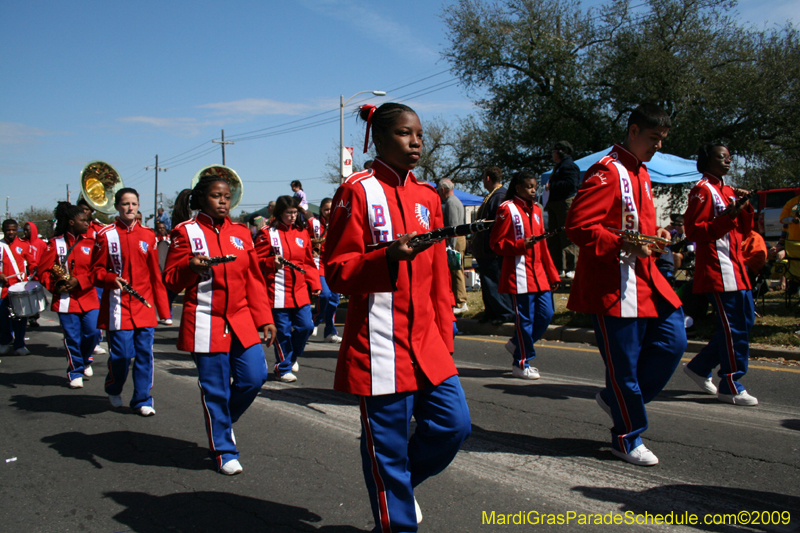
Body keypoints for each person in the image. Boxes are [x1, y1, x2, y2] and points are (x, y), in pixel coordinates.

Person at [323, 102, 471, 531]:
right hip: (380, 346)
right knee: (387, 456)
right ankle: (397, 516)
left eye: (420, 134)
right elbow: (336, 270)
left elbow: (440, 280)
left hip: (428, 343)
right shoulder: (356, 190)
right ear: (380, 138)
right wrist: (384, 257)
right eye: (406, 134)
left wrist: (446, 337)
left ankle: (398, 488)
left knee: (453, 427)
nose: (416, 142)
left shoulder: (428, 196)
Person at [565, 104, 687, 466]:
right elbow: (578, 226)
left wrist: (657, 233)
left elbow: (636, 223)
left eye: (663, 140)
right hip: (615, 284)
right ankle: (626, 435)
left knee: (673, 341)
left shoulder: (641, 171)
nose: (659, 147)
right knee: (625, 368)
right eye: (654, 139)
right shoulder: (606, 172)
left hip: (648, 279)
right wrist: (624, 243)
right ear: (633, 131)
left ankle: (616, 399)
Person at [164, 174, 277, 475]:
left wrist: (265, 317)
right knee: (215, 390)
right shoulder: (184, 232)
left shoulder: (242, 232)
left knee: (255, 377)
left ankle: (224, 423)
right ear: (202, 198)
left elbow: (253, 278)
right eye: (216, 196)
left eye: (227, 196)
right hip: (204, 320)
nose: (223, 201)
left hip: (241, 319)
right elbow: (171, 280)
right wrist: (189, 267)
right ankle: (224, 450)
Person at [683, 143, 758, 406]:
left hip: (737, 268)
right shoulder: (702, 191)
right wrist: (727, 217)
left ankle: (700, 366)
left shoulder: (727, 190)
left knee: (744, 323)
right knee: (733, 327)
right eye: (721, 157)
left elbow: (745, 229)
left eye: (729, 156)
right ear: (708, 161)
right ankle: (730, 382)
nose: (728, 160)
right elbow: (693, 232)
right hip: (719, 268)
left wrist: (745, 207)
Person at [92, 188, 170, 414]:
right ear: (117, 206)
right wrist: (108, 278)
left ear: (138, 206)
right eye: (125, 203)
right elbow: (94, 271)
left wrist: (164, 311)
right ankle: (113, 386)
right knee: (123, 355)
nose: (130, 208)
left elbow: (156, 274)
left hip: (143, 307)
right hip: (117, 306)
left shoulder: (148, 235)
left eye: (134, 203)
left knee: (145, 354)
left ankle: (142, 399)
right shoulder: (106, 234)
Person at [491, 171, 560, 380]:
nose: (533, 190)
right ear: (518, 187)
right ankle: (521, 362)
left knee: (546, 314)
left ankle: (516, 345)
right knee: (525, 321)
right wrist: (520, 245)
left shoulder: (538, 210)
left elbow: (543, 245)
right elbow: (496, 243)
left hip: (539, 274)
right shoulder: (506, 209)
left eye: (534, 186)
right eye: (529, 186)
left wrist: (553, 274)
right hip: (519, 275)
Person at [255, 195, 321, 382]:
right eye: (288, 213)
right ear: (279, 213)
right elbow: (253, 261)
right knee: (282, 332)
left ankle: (291, 358)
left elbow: (308, 262)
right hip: (276, 292)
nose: (292, 216)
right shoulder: (267, 233)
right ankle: (283, 368)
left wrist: (315, 283)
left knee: (306, 327)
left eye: (295, 212)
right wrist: (269, 262)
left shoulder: (302, 233)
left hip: (300, 291)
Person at [39, 203, 99, 388]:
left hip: (88, 295)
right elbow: (42, 271)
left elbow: (98, 270)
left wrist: (80, 281)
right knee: (72, 337)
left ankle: (84, 359)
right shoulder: (55, 243)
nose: (87, 224)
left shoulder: (92, 243)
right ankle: (75, 371)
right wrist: (55, 286)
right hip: (66, 300)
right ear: (72, 222)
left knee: (93, 332)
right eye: (83, 221)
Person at [472, 167, 515, 325]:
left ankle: (504, 312)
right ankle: (491, 312)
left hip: (492, 249)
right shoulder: (491, 196)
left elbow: (496, 223)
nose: (483, 181)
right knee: (487, 282)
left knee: (495, 281)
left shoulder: (500, 196)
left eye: (484, 178)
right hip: (484, 248)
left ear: (488, 178)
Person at [545, 141, 581, 278]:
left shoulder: (569, 166)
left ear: (561, 152)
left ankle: (571, 267)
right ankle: (558, 268)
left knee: (567, 235)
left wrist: (552, 185)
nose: (552, 154)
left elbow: (572, 184)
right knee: (554, 236)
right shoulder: (559, 167)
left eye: (554, 151)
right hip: (555, 203)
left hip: (565, 203)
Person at [77, 197, 108, 357]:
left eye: (87, 209)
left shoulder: (99, 229)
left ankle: (95, 341)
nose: (84, 212)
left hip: (96, 276)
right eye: (82, 208)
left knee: (97, 310)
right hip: (79, 277)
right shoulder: (77, 229)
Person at [308, 197, 341, 342]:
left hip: (334, 262)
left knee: (334, 298)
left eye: (331, 209)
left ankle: (330, 332)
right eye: (326, 209)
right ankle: (314, 320)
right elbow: (302, 237)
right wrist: (310, 249)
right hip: (318, 262)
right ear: (321, 210)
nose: (329, 212)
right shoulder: (313, 223)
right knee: (325, 294)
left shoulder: (340, 222)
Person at [0, 219, 34, 356]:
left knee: (20, 318)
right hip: (2, 289)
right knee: (2, 317)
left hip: (19, 288)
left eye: (13, 230)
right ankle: (4, 341)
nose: (11, 232)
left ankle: (19, 344)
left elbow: (32, 263)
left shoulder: (24, 245)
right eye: (8, 230)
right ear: (3, 230)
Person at [437, 179, 468, 314]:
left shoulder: (450, 203)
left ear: (443, 189)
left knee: (456, 270)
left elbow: (453, 225)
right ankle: (459, 300)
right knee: (456, 270)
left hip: (456, 239)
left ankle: (461, 302)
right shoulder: (455, 201)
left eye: (439, 190)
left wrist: (451, 246)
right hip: (458, 238)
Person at [20, 221, 47, 328]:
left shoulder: (41, 243)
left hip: (36, 274)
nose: (25, 232)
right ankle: (24, 316)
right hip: (24, 275)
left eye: (27, 230)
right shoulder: (22, 243)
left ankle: (34, 317)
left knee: (35, 298)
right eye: (24, 230)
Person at [155, 220, 176, 325]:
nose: (161, 230)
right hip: (159, 271)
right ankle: (167, 315)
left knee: (170, 295)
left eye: (163, 228)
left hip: (169, 270)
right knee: (163, 295)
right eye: (159, 228)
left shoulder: (171, 239)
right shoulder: (154, 240)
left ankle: (167, 314)